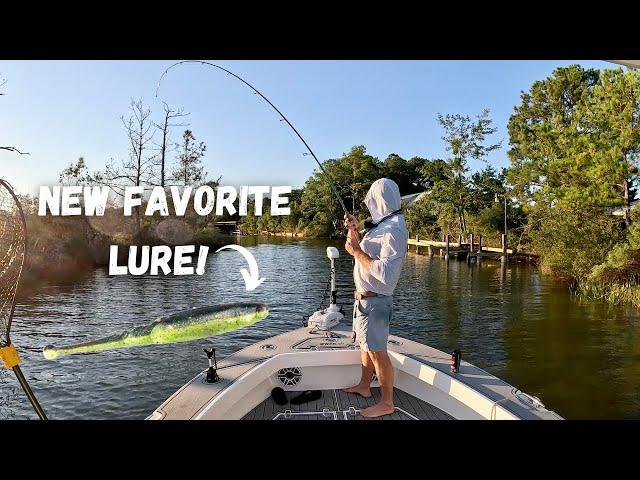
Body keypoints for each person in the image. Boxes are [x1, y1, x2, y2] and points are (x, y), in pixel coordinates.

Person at [342, 178, 408, 418]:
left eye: (372, 201)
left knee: (378, 351)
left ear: (379, 201)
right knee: (365, 346)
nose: (370, 206)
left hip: (376, 301)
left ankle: (387, 403)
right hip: (364, 300)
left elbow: (386, 275)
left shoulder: (395, 230)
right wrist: (354, 230)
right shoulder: (384, 225)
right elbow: (370, 251)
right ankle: (364, 386)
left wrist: (357, 252)